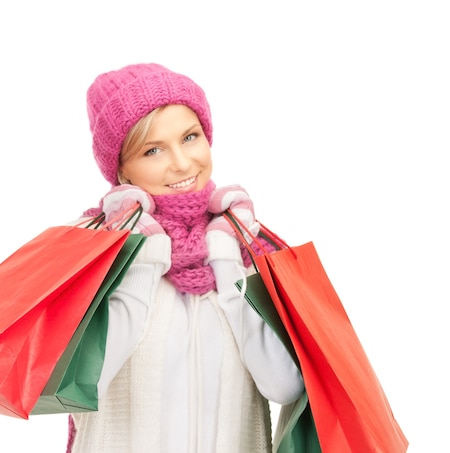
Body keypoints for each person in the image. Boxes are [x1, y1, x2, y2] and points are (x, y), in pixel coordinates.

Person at [66, 63, 304, 453]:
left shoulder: (249, 244)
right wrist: (140, 259)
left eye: (190, 137)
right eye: (153, 149)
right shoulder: (92, 248)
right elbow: (80, 386)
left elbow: (283, 385)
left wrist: (227, 261)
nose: (181, 163)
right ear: (121, 169)